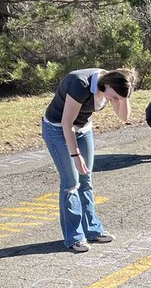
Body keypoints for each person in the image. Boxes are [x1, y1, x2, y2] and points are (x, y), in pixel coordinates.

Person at [41, 67, 134, 252]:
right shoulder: (80, 84)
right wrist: (75, 155)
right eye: (114, 97)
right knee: (71, 183)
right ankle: (74, 237)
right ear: (105, 84)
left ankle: (92, 230)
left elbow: (124, 117)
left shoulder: (113, 86)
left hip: (83, 129)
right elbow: (67, 123)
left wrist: (124, 97)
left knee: (86, 179)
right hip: (58, 129)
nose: (114, 101)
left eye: (118, 98)